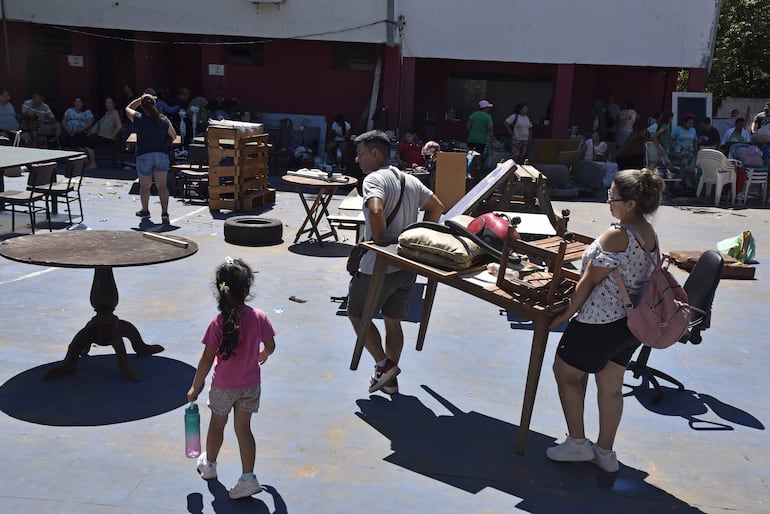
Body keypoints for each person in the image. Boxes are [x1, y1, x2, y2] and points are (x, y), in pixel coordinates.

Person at [546, 168, 666, 473]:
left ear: (630, 204)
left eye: (612, 197)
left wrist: (564, 314)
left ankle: (577, 443)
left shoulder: (617, 234)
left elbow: (587, 282)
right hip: (630, 325)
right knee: (611, 386)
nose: (609, 203)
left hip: (599, 321)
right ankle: (605, 452)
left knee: (566, 373)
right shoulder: (648, 233)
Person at [347, 130, 444, 395]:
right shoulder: (409, 180)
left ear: (375, 153)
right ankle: (388, 379)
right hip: (407, 265)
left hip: (376, 266)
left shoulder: (374, 179)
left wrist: (380, 240)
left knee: (356, 314)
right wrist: (419, 239)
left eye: (361, 153)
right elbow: (436, 206)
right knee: (393, 320)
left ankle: (383, 365)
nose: (358, 159)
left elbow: (376, 208)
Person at [187, 258, 276, 500]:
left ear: (220, 290)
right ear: (246, 291)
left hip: (223, 387)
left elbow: (207, 359)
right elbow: (270, 345)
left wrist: (196, 385)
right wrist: (264, 353)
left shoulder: (217, 324)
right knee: (244, 430)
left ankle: (210, 466)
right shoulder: (260, 317)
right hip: (250, 386)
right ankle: (249, 478)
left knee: (217, 425)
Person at [125, 92, 177, 224]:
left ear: (142, 106)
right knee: (162, 186)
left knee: (145, 186)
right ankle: (164, 213)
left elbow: (127, 108)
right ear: (155, 104)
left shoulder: (138, 117)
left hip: (144, 155)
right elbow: (173, 135)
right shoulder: (164, 120)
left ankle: (145, 210)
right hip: (161, 155)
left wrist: (139, 99)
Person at [670, 114, 699, 187]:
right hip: (679, 152)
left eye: (692, 123)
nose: (691, 125)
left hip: (690, 152)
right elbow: (671, 142)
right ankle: (679, 183)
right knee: (684, 163)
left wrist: (696, 151)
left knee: (688, 167)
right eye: (689, 123)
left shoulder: (693, 130)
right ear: (684, 122)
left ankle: (692, 187)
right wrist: (670, 153)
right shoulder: (677, 130)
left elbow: (695, 141)